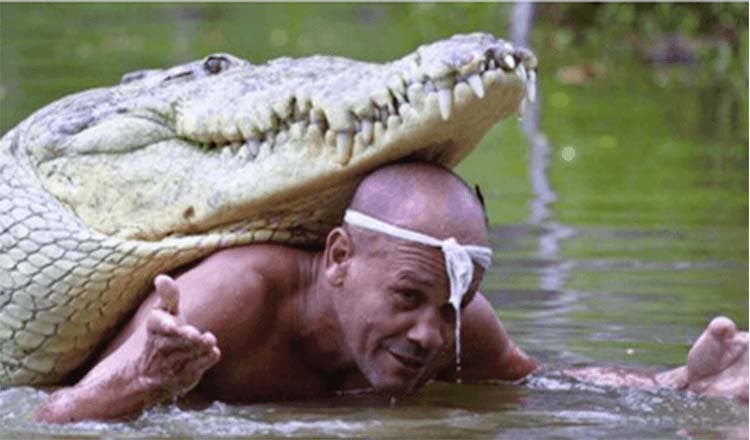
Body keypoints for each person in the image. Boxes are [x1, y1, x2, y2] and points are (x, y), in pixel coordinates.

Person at [34, 162, 748, 423]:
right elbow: (51, 420)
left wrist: (679, 384)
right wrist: (137, 379)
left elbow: (549, 389)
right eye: (407, 297)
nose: (429, 337)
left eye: (449, 309)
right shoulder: (232, 300)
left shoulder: (455, 322)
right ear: (339, 257)